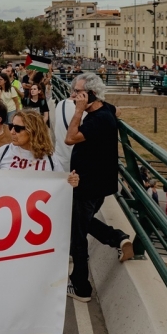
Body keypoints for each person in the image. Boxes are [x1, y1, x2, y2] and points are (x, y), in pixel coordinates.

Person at [0, 109, 77, 334]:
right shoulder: (5, 152)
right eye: (11, 127)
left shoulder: (49, 160)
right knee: (13, 278)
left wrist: (70, 184)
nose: (12, 132)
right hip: (7, 229)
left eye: (18, 128)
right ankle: (18, 322)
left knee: (40, 280)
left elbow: (60, 187)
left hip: (37, 233)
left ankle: (40, 330)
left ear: (33, 132)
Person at [64, 72, 134, 302]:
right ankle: (118, 238)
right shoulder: (105, 111)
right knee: (82, 222)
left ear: (90, 94)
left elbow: (70, 138)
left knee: (77, 235)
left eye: (78, 92)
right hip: (96, 183)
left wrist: (77, 111)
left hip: (87, 186)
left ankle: (81, 287)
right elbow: (116, 109)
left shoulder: (97, 119)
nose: (73, 96)